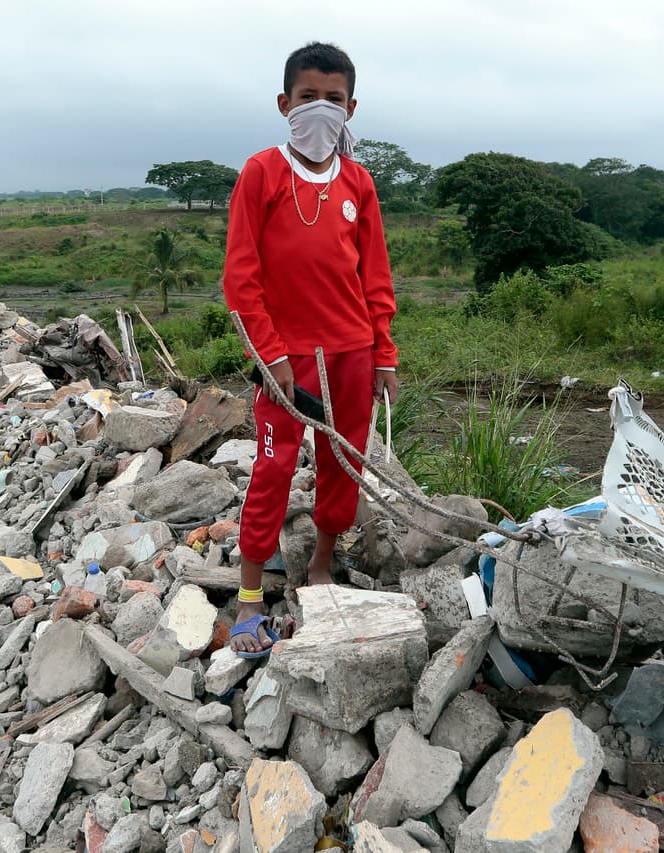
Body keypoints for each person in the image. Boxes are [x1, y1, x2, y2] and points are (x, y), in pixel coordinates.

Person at [222, 41, 398, 658]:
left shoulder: (358, 182)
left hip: (351, 352)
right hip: (284, 359)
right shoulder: (262, 173)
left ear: (352, 107)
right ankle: (248, 601)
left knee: (343, 462)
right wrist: (270, 359)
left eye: (333, 99)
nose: (320, 109)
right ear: (283, 103)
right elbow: (241, 278)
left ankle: (323, 560)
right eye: (307, 97)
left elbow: (374, 275)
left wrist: (384, 354)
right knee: (271, 467)